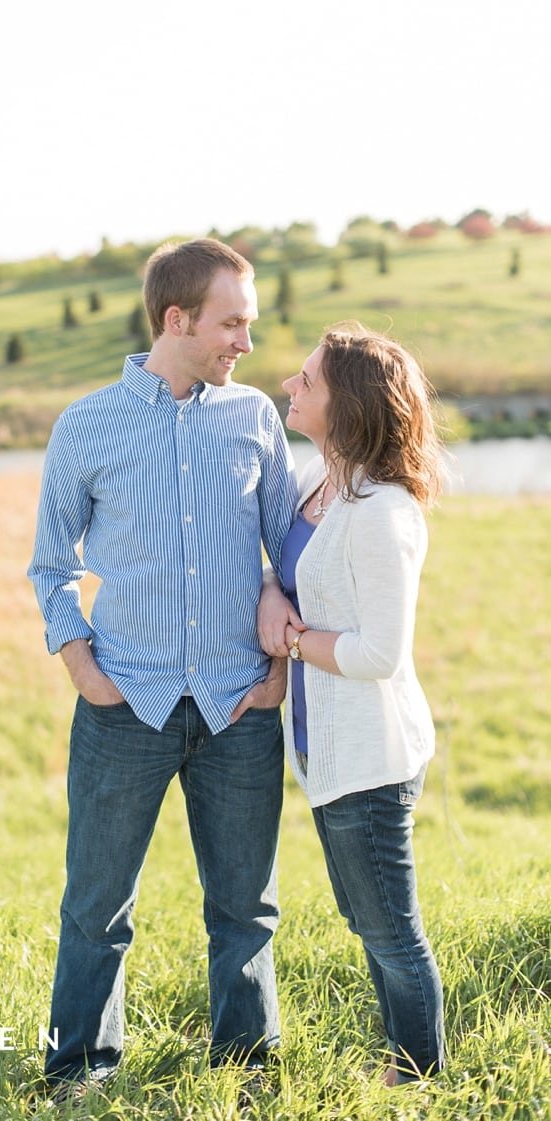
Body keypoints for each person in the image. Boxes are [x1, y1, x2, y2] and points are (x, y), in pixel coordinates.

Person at [27, 238, 298, 1093]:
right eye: (231, 323)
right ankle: (79, 1070)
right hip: (123, 705)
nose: (244, 345)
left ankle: (247, 1069)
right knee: (95, 907)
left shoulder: (254, 417)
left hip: (238, 706)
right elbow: (49, 564)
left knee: (245, 909)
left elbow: (287, 549)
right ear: (176, 319)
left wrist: (280, 639)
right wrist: (79, 661)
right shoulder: (85, 425)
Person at [265, 324, 447, 1084]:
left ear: (348, 403)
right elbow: (289, 567)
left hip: (370, 756)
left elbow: (379, 652)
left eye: (307, 380)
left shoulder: (382, 512)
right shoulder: (319, 475)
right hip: (325, 749)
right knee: (366, 920)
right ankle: (406, 1060)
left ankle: (420, 1074)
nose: (289, 386)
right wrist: (275, 594)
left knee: (389, 930)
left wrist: (293, 642)